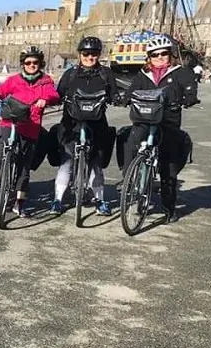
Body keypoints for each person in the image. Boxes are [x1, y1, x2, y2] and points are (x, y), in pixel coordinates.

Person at [122, 34, 199, 223]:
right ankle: (129, 179)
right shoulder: (143, 74)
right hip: (145, 119)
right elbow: (132, 90)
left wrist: (189, 98)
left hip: (168, 121)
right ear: (149, 57)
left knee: (168, 167)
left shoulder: (181, 72)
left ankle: (169, 207)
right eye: (155, 55)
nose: (159, 58)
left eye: (164, 54)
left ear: (170, 54)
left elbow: (190, 88)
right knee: (129, 141)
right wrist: (125, 98)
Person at [0, 46, 60, 217]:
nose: (32, 65)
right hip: (10, 121)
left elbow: (54, 95)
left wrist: (44, 99)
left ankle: (19, 202)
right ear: (23, 64)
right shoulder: (14, 80)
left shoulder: (46, 81)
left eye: (35, 62)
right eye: (28, 62)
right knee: (1, 145)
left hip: (31, 126)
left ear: (40, 63)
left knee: (25, 167)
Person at [50, 36, 119, 216]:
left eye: (94, 54)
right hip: (71, 123)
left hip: (96, 123)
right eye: (86, 53)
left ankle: (99, 199)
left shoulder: (106, 73)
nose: (90, 57)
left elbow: (114, 94)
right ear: (80, 54)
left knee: (96, 164)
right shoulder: (70, 73)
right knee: (67, 162)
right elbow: (58, 94)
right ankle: (57, 199)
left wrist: (118, 99)